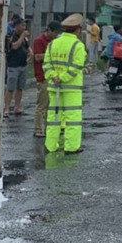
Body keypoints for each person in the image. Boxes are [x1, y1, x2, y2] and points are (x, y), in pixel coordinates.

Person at [44, 13, 87, 154]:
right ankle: (71, 147)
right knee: (73, 119)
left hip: (54, 87)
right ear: (78, 29)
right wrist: (63, 77)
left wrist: (54, 76)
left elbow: (46, 65)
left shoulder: (52, 44)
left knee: (54, 118)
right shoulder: (78, 46)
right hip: (71, 89)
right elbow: (76, 67)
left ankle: (51, 146)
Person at [31, 20, 61, 138]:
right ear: (50, 30)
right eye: (56, 32)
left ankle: (48, 128)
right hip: (43, 77)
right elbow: (37, 57)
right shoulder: (39, 41)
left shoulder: (54, 42)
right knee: (42, 105)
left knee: (51, 106)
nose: (57, 35)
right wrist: (51, 54)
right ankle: (38, 129)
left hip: (52, 77)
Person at [3, 18, 30, 117]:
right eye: (22, 25)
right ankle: (6, 108)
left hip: (23, 64)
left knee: (20, 88)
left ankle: (17, 107)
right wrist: (22, 36)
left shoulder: (24, 38)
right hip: (13, 65)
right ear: (16, 26)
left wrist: (30, 51)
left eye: (25, 26)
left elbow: (27, 46)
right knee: (10, 88)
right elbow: (14, 46)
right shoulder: (11, 35)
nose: (24, 28)